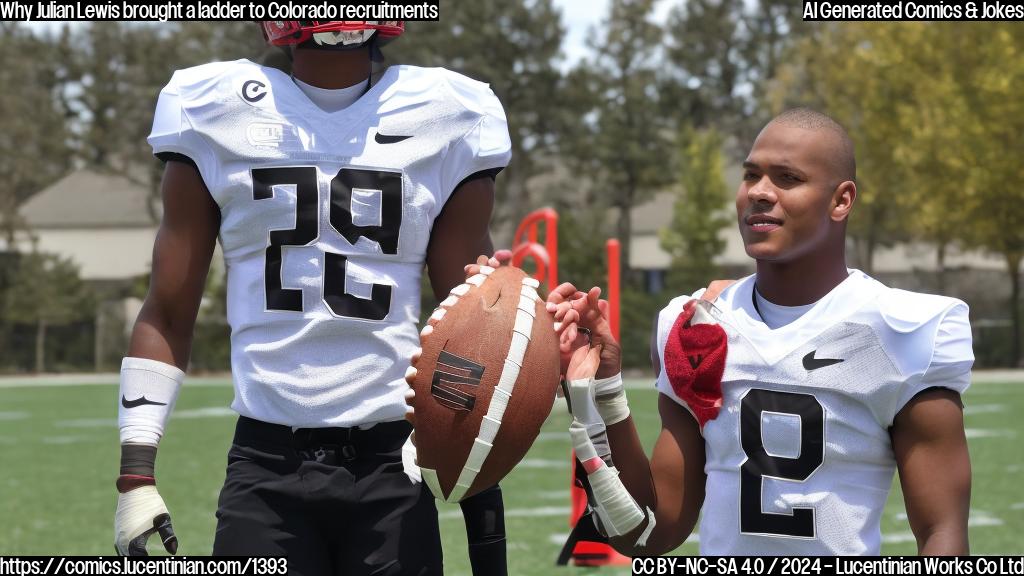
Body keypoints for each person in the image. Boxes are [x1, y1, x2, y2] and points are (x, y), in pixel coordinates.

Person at [113, 21, 512, 575]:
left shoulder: (446, 112)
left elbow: (468, 326)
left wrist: (481, 490)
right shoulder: (214, 108)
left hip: (394, 459)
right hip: (266, 460)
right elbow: (169, 307)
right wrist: (136, 472)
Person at [548, 108, 974, 556]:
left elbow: (942, 534)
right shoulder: (696, 325)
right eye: (751, 175)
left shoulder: (902, 331)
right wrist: (601, 388)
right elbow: (648, 536)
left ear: (841, 200)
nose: (760, 193)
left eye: (787, 178)